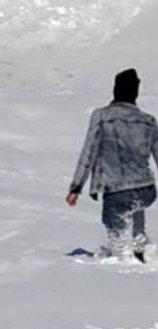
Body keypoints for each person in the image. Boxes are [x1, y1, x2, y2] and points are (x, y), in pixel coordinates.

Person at [66, 68, 158, 263]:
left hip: (117, 189)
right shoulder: (148, 121)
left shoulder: (102, 116)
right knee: (135, 212)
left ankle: (125, 265)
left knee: (120, 241)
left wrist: (76, 187)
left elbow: (89, 151)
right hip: (146, 189)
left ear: (115, 89)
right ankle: (141, 251)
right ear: (136, 93)